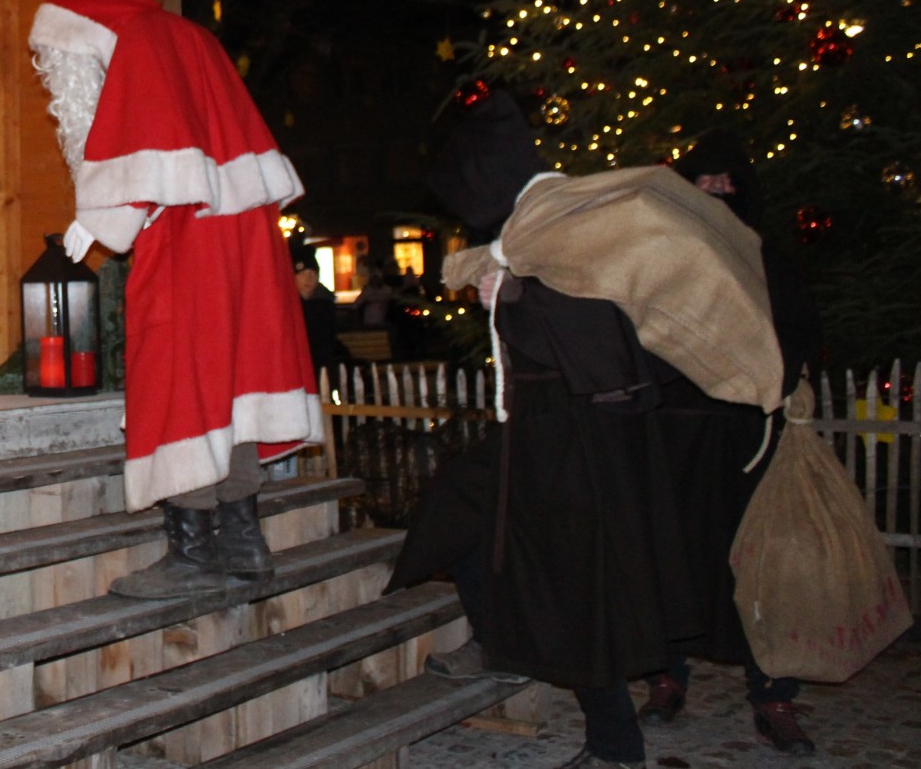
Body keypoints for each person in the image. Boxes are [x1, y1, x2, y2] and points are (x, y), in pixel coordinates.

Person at [392, 93, 769, 769]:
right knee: (464, 514)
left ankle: (614, 744)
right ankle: (499, 636)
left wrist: (511, 296)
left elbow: (600, 334)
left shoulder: (566, 222)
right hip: (540, 436)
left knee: (578, 587)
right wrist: (507, 286)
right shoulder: (536, 225)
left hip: (581, 444)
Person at [28, 0, 321, 598]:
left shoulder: (139, 43)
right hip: (243, 240)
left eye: (56, 63)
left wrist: (97, 220)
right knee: (235, 379)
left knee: (176, 376)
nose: (58, 83)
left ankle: (190, 552)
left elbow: (150, 155)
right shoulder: (190, 36)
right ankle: (243, 539)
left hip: (188, 241)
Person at [628, 131, 821, 756]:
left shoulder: (768, 261)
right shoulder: (665, 259)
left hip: (747, 435)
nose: (717, 191)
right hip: (677, 433)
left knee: (763, 564)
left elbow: (797, 335)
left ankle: (773, 695)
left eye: (727, 182)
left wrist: (772, 384)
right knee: (670, 556)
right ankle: (666, 677)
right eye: (705, 182)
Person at [291, 242, 345, 377]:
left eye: (312, 273)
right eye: (302, 274)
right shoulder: (288, 307)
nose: (308, 279)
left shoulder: (325, 304)